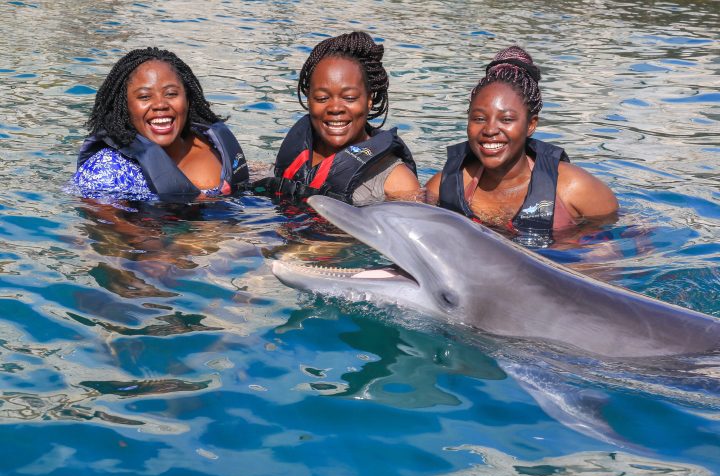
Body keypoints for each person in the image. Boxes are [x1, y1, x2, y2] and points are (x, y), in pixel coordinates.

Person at [425, 46, 618, 244]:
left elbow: (621, 251)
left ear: (531, 124)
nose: (490, 130)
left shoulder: (576, 189)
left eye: (506, 119)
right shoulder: (440, 188)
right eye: (479, 118)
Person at [253, 31, 420, 205]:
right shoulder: (298, 152)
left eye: (349, 98)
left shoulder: (397, 182)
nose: (335, 108)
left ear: (369, 99)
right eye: (322, 98)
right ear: (309, 99)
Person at [73, 47, 249, 201]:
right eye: (144, 96)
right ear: (125, 107)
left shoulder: (211, 143)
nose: (160, 104)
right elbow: (107, 233)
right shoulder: (107, 170)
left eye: (171, 94)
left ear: (188, 99)